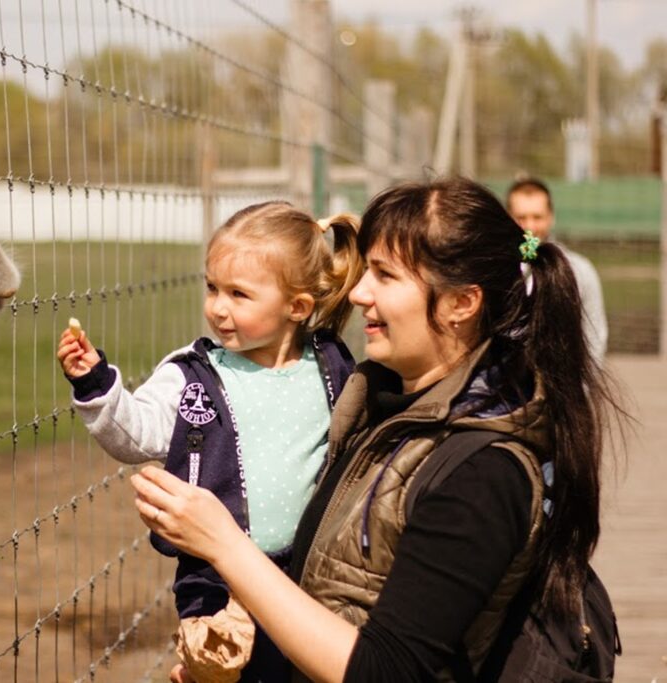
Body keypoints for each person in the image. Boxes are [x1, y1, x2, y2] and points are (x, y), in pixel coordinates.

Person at [130, 178, 621, 682]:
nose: (359, 292)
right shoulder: (377, 408)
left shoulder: (482, 474)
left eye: (384, 275)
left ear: (461, 304)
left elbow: (385, 671)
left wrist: (223, 544)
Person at [57, 202, 364, 682]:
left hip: (314, 573)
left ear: (297, 307)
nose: (218, 307)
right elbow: (134, 433)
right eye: (212, 287)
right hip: (217, 583)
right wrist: (96, 385)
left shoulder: (331, 367)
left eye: (239, 294)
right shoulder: (193, 375)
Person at [506, 177, 608, 359]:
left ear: (550, 217)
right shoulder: (494, 270)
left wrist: (580, 386)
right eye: (521, 218)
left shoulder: (579, 270)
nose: (530, 227)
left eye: (537, 217)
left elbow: (594, 337)